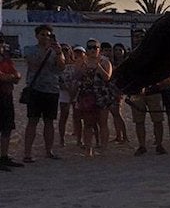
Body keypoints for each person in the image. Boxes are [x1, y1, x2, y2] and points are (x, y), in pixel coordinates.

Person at [22, 24, 66, 162]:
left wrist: (59, 53)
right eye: (43, 34)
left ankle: (49, 151)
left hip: (51, 89)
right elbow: (34, 63)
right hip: (35, 89)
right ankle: (27, 153)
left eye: (48, 35)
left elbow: (61, 67)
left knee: (49, 122)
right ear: (36, 36)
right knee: (33, 121)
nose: (46, 37)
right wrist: (47, 50)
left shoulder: (56, 51)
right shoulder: (30, 49)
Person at [72, 39, 113, 157]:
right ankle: (88, 149)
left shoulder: (105, 62)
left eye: (95, 47)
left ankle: (104, 148)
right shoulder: (81, 62)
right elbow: (76, 77)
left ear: (99, 49)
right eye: (89, 48)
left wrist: (99, 67)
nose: (92, 50)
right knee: (88, 123)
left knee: (103, 123)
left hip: (102, 94)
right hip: (87, 95)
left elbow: (107, 78)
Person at [0, 42, 22, 169]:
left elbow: (17, 76)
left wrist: (10, 77)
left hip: (6, 96)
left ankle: (4, 156)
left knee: (7, 127)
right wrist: (11, 77)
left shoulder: (6, 60)